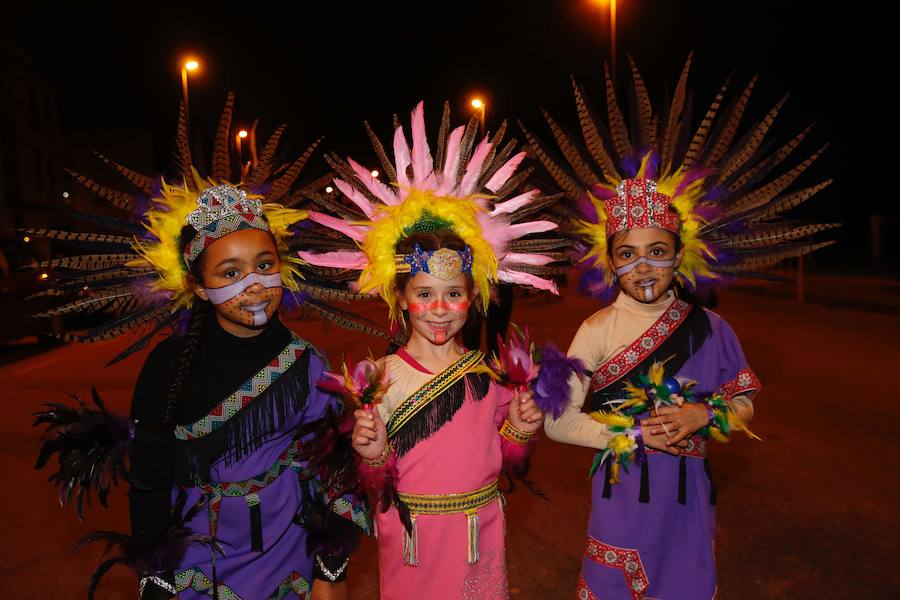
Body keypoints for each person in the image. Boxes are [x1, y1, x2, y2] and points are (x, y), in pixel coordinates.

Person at [31, 97, 370, 600]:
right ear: (198, 287)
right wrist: (156, 580)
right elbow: (148, 484)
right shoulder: (168, 368)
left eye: (264, 264)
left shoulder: (306, 363)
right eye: (229, 273)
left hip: (289, 552)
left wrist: (331, 571)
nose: (253, 284)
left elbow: (333, 473)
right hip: (199, 562)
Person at [527, 56, 838, 598]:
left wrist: (704, 413)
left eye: (657, 252)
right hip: (619, 503)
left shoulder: (712, 327)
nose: (642, 266)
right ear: (608, 261)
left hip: (690, 498)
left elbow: (744, 402)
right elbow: (557, 422)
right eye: (627, 253)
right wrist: (625, 434)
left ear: (680, 257)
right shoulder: (595, 329)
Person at [298, 101, 564, 599]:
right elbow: (371, 475)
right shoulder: (377, 378)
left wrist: (524, 428)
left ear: (475, 297)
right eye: (424, 295)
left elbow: (508, 448)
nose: (440, 309)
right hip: (411, 541)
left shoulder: (491, 373)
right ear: (400, 299)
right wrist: (372, 456)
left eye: (454, 294)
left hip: (478, 536)